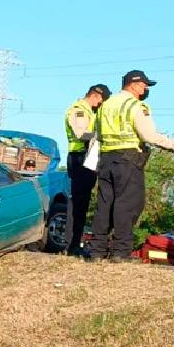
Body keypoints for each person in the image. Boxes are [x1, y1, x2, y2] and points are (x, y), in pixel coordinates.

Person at [89, 70, 174, 261]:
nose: (146, 89)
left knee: (105, 204)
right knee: (128, 205)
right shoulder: (136, 105)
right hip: (128, 159)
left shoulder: (106, 105)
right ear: (132, 84)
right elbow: (148, 135)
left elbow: (96, 133)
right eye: (144, 85)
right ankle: (120, 252)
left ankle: (97, 251)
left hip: (106, 158)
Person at [63, 84, 111, 255]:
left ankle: (75, 242)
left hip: (86, 157)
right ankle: (71, 244)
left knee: (83, 202)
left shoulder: (89, 111)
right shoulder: (79, 109)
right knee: (78, 202)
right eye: (102, 100)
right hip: (80, 157)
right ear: (96, 95)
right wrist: (102, 135)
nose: (101, 104)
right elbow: (80, 134)